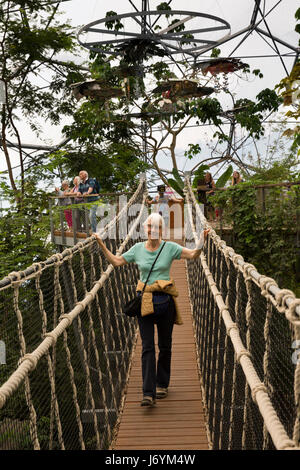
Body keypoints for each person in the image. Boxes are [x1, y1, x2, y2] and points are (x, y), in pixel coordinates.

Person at [93, 213, 210, 407]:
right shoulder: (138, 249)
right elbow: (117, 262)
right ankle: (148, 393)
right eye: (149, 227)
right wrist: (101, 245)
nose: (152, 230)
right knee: (147, 347)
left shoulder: (170, 247)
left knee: (165, 346)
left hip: (165, 302)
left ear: (161, 230)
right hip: (145, 302)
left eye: (155, 227)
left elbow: (193, 255)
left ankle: (162, 384)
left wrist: (201, 240)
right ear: (145, 229)